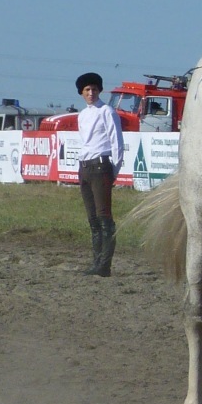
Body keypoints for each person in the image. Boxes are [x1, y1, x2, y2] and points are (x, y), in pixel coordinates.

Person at [73, 72, 124, 276]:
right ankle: (96, 261)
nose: (91, 93)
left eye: (94, 89)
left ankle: (104, 265)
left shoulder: (107, 111)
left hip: (101, 166)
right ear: (81, 92)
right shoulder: (82, 115)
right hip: (85, 167)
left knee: (104, 218)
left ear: (99, 90)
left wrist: (114, 171)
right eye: (87, 90)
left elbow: (117, 141)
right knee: (93, 219)